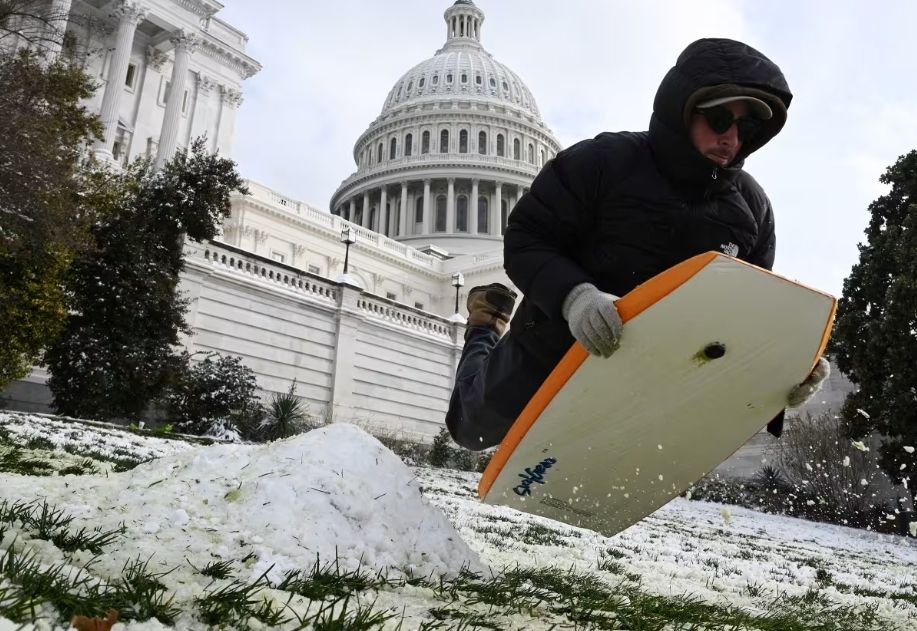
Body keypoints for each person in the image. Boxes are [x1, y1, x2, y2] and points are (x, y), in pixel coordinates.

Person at [445, 37, 830, 451]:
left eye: (748, 127)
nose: (732, 138)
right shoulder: (603, 161)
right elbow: (526, 236)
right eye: (720, 119)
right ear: (683, 108)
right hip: (558, 338)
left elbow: (748, 311)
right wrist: (576, 298)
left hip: (660, 367)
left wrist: (779, 378)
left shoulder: (752, 210)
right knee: (472, 431)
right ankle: (485, 325)